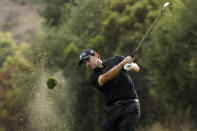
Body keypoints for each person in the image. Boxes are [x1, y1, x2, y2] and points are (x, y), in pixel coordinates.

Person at [78, 49, 140, 131]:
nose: (87, 64)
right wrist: (122, 64)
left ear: (96, 55)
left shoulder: (116, 59)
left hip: (130, 106)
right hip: (112, 110)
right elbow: (105, 77)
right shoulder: (93, 78)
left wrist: (130, 66)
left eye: (87, 60)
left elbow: (136, 68)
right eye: (85, 63)